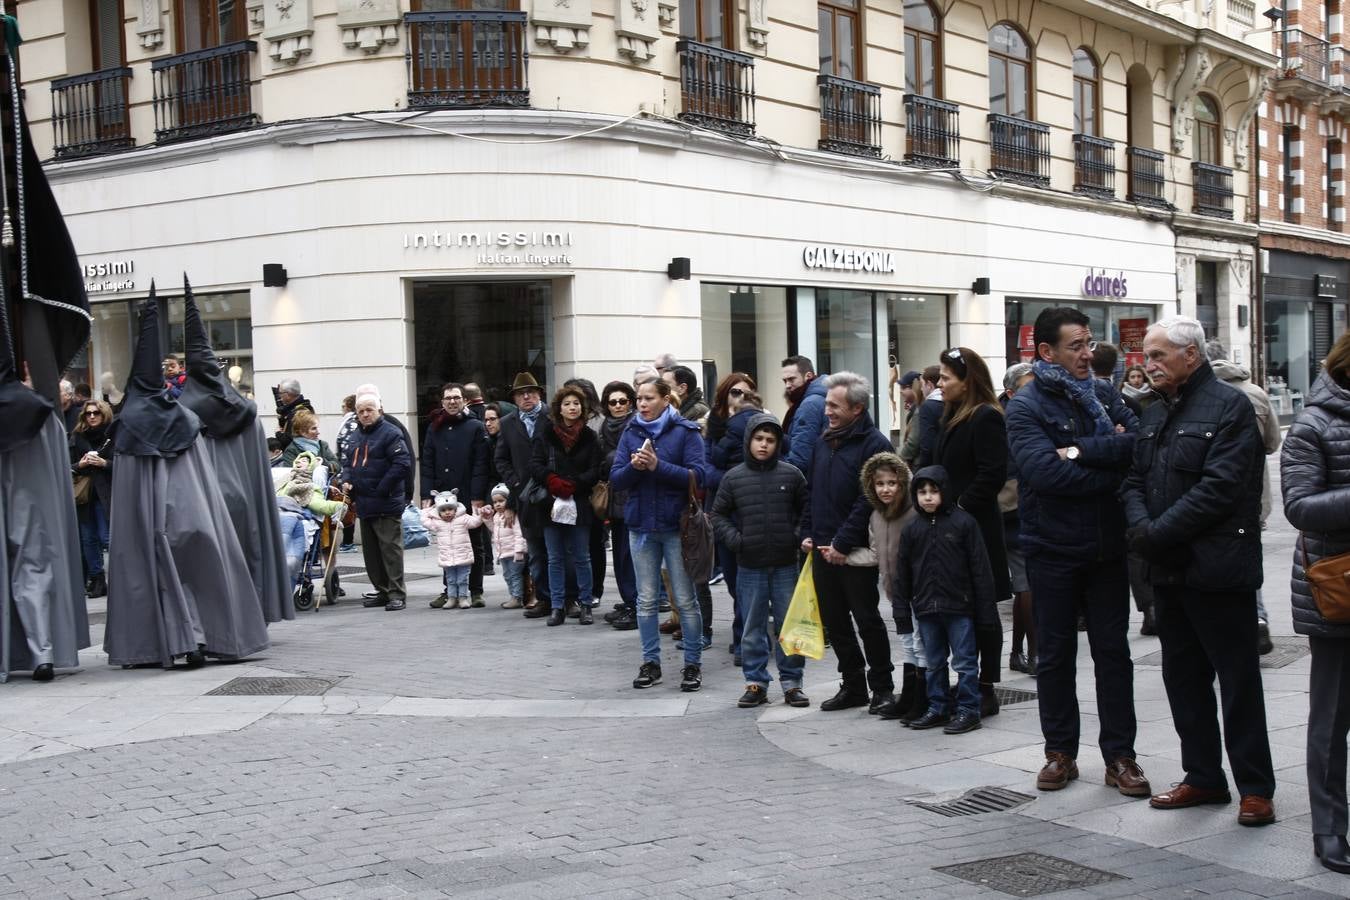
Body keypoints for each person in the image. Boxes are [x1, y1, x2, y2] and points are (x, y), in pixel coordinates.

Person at [1120, 315, 1275, 827]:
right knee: (1183, 679)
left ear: (1192, 355)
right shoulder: (1152, 411)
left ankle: (1255, 787)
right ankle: (1203, 777)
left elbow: (1222, 488)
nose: (1149, 363)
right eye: (1147, 354)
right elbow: (1134, 480)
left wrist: (1155, 532)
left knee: (1237, 681)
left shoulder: (1229, 407)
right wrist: (1144, 527)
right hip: (1170, 571)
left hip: (1218, 569)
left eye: (1159, 354)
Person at [1006, 307, 1147, 797]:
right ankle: (1060, 753)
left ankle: (1120, 757)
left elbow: (1140, 446)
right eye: (1077, 346)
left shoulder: (1105, 394)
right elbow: (1045, 474)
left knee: (1114, 655)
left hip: (1108, 547)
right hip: (1052, 548)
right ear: (1046, 352)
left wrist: (1081, 452)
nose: (1088, 354)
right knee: (1056, 654)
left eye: (1089, 343)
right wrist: (1108, 458)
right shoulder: (1025, 407)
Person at [104, 296, 268, 668]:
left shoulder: (129, 421)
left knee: (152, 570)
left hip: (148, 519)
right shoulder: (186, 418)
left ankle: (168, 640)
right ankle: (200, 636)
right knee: (200, 568)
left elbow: (129, 486)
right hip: (195, 514)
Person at [178, 282, 292, 626]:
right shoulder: (246, 410)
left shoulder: (183, 413)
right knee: (246, 555)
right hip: (243, 500)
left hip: (205, 502)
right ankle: (251, 618)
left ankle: (218, 624)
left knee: (212, 563)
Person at [1281, 331, 1350, 873]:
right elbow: (1300, 508)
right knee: (1331, 720)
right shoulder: (1313, 424)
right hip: (1339, 589)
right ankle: (1329, 829)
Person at [800, 371, 895, 712]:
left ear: (856, 408)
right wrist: (808, 533)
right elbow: (811, 492)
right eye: (827, 404)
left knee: (867, 619)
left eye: (834, 405)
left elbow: (869, 499)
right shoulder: (823, 441)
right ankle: (853, 685)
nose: (827, 411)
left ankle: (882, 686)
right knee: (836, 622)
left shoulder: (875, 444)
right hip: (823, 549)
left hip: (855, 552)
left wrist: (842, 542)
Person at [610, 378, 708, 692]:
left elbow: (699, 476)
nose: (642, 404)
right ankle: (651, 663)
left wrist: (657, 466)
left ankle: (692, 663)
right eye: (638, 398)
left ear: (666, 399)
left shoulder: (685, 431)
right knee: (646, 601)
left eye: (648, 398)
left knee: (685, 600)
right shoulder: (631, 431)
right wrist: (636, 468)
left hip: (677, 528)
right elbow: (616, 480)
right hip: (640, 528)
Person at [711, 412, 810, 708]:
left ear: (778, 443)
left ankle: (792, 683)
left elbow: (806, 510)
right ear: (748, 441)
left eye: (770, 440)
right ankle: (755, 682)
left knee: (788, 625)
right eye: (759, 439)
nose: (764, 445)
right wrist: (735, 540)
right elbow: (718, 514)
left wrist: (794, 536)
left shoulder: (791, 474)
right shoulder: (734, 477)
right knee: (752, 627)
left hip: (784, 564)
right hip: (749, 565)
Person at [934, 347, 1008, 717]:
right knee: (961, 608)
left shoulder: (985, 417)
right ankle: (965, 679)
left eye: (947, 377)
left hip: (976, 530)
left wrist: (960, 508)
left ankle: (985, 687)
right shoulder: (952, 415)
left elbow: (992, 473)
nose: (940, 383)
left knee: (982, 610)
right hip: (952, 530)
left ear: (968, 381)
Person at [896, 465, 991, 734]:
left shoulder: (964, 523)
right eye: (922, 492)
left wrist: (985, 613)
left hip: (959, 606)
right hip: (926, 607)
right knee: (934, 662)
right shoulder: (912, 529)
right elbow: (902, 572)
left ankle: (968, 709)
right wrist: (902, 611)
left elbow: (980, 569)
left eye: (934, 491)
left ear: (945, 492)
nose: (928, 497)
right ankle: (937, 706)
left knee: (964, 661)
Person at [1206, 339, 1283, 655]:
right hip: (1252, 491)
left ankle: (1224, 629)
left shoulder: (1200, 396)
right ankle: (1258, 620)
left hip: (1209, 492)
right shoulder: (1256, 392)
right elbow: (1273, 442)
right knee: (1248, 554)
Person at [530, 384, 603, 626]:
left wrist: (574, 484)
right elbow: (536, 465)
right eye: (567, 404)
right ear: (558, 408)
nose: (572, 408)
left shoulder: (590, 436)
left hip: (579, 501)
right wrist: (552, 481)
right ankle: (557, 606)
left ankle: (585, 604)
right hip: (550, 503)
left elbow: (596, 469)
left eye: (576, 404)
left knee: (581, 556)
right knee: (554, 557)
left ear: (583, 408)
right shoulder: (545, 433)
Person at [863, 452, 924, 723]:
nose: (886, 489)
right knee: (908, 644)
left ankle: (923, 698)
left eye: (892, 483)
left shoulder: (913, 513)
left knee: (922, 645)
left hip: (919, 592)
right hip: (896, 593)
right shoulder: (877, 515)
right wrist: (840, 555)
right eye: (880, 484)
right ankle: (909, 696)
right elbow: (876, 553)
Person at [342, 389, 412, 612]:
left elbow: (402, 464)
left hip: (386, 501)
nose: (364, 414)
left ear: (379, 410)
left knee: (390, 551)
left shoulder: (391, 432)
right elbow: (347, 463)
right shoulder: (355, 436)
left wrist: (381, 488)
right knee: (371, 554)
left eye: (369, 410)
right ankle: (382, 590)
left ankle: (396, 593)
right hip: (364, 502)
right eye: (360, 411)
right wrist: (346, 480)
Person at [421, 383, 490, 606]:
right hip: (442, 494)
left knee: (474, 542)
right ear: (442, 402)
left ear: (464, 401)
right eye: (448, 398)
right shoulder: (434, 427)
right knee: (446, 542)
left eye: (456, 398)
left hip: (469, 492)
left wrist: (478, 495)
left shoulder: (476, 426)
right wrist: (426, 493)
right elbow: (428, 461)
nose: (452, 401)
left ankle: (475, 590)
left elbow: (481, 464)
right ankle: (449, 591)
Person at [495, 372, 552, 617]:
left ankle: (567, 599)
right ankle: (543, 599)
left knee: (560, 551)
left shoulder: (552, 416)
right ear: (515, 398)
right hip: (525, 496)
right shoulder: (508, 422)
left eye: (531, 391)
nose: (526, 396)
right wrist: (515, 483)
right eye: (521, 393)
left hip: (553, 492)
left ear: (539, 393)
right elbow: (501, 458)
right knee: (536, 552)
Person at [998, 363, 1035, 677]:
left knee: (1026, 583)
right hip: (1014, 507)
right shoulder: (1009, 419)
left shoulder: (1004, 413)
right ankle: (1031, 653)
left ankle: (1019, 652)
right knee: (1027, 584)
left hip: (1014, 506)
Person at [598, 381, 639, 630]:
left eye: (623, 401)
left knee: (630, 555)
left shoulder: (634, 426)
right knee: (621, 556)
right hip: (613, 498)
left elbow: (624, 460)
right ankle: (628, 601)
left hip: (631, 498)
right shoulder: (605, 427)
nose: (618, 406)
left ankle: (635, 605)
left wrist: (612, 460)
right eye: (613, 402)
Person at [71, 399, 113, 599]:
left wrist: (104, 463)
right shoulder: (77, 437)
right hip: (85, 495)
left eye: (96, 413)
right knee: (89, 539)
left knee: (108, 538)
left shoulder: (112, 435)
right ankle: (97, 580)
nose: (92, 416)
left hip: (107, 494)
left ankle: (118, 577)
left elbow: (123, 463)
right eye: (88, 413)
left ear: (103, 414)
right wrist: (80, 464)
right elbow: (68, 465)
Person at [421, 490, 483, 609]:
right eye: (443, 510)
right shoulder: (437, 523)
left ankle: (463, 598)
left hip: (463, 556)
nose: (447, 512)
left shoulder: (463, 518)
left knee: (463, 579)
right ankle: (451, 598)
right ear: (438, 512)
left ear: (455, 509)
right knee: (451, 580)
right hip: (447, 557)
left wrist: (478, 513)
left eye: (450, 509)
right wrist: (428, 510)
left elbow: (475, 522)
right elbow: (424, 521)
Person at [482, 483, 527, 609]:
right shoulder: (497, 517)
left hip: (514, 553)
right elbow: (494, 530)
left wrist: (519, 550)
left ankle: (517, 597)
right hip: (503, 553)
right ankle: (513, 595)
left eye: (501, 501)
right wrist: (487, 519)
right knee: (507, 576)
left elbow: (519, 534)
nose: (497, 504)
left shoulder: (513, 516)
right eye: (495, 502)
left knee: (515, 575)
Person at [781, 355, 828, 476]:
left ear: (808, 376)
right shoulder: (820, 396)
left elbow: (800, 456)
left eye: (791, 379)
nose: (787, 385)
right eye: (785, 381)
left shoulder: (810, 404)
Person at [334, 394, 358, 551]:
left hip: (348, 471)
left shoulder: (349, 424)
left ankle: (348, 542)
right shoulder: (354, 423)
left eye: (343, 406)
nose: (341, 410)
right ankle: (348, 542)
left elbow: (344, 450)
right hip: (350, 470)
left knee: (349, 505)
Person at [916, 365, 944, 468]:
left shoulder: (928, 407)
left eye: (922, 384)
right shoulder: (951, 403)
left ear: (929, 385)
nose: (921, 389)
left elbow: (927, 445)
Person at [273, 378, 314, 447]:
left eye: (280, 393)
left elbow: (289, 441)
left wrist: (278, 433)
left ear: (287, 394)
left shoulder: (299, 412)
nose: (279, 396)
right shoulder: (305, 407)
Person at [897, 370, 924, 468]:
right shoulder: (916, 409)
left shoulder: (920, 410)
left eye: (904, 387)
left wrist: (900, 460)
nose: (901, 391)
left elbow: (913, 442)